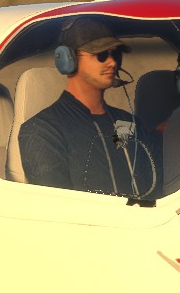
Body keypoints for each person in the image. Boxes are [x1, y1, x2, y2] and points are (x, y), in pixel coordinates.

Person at [18, 19, 156, 196]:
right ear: (69, 59)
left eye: (115, 54)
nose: (112, 62)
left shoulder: (126, 123)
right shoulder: (43, 130)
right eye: (101, 55)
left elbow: (152, 187)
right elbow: (56, 205)